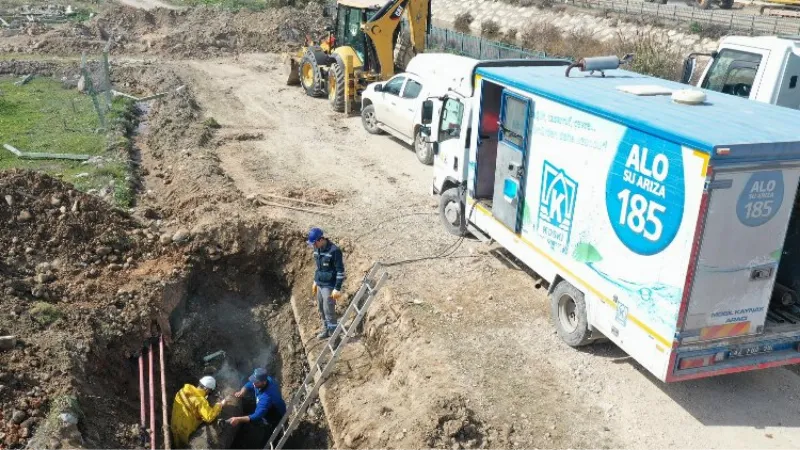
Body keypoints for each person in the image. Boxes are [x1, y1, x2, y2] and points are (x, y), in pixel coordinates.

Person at [227, 368, 287, 448]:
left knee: (268, 438)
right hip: (268, 410)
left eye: (256, 382)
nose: (254, 384)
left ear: (263, 382)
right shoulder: (266, 380)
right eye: (253, 381)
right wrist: (243, 390)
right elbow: (250, 384)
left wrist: (238, 419)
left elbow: (257, 416)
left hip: (275, 418)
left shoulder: (266, 398)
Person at [307, 227, 346, 339]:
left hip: (329, 286)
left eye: (314, 243)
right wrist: (315, 281)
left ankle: (335, 338)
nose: (313, 246)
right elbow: (318, 268)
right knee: (321, 308)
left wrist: (337, 288)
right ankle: (326, 330)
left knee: (329, 311)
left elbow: (340, 271)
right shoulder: (317, 250)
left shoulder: (334, 251)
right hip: (320, 284)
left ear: (320, 240)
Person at [170, 376, 226, 449]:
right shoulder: (201, 401)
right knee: (182, 447)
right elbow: (209, 417)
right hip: (184, 429)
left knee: (175, 443)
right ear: (206, 389)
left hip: (174, 423)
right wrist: (220, 405)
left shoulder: (182, 391)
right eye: (210, 391)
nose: (209, 393)